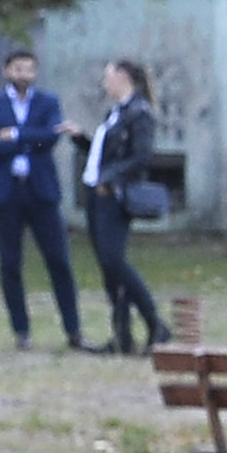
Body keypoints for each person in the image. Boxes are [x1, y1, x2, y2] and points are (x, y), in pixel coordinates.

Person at [0, 46, 83, 348]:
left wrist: (16, 135)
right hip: (5, 191)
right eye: (18, 69)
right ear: (6, 72)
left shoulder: (48, 102)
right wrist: (29, 138)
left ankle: (73, 329)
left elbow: (50, 137)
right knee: (10, 263)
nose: (24, 75)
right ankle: (20, 330)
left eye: (29, 69)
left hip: (40, 189)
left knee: (59, 260)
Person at [79, 56, 169, 353]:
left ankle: (155, 323)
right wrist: (80, 140)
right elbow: (106, 153)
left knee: (115, 261)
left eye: (109, 76)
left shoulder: (139, 112)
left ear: (123, 77)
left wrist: (109, 178)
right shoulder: (115, 112)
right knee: (108, 268)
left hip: (115, 196)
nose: (105, 83)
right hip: (98, 194)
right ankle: (122, 336)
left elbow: (141, 157)